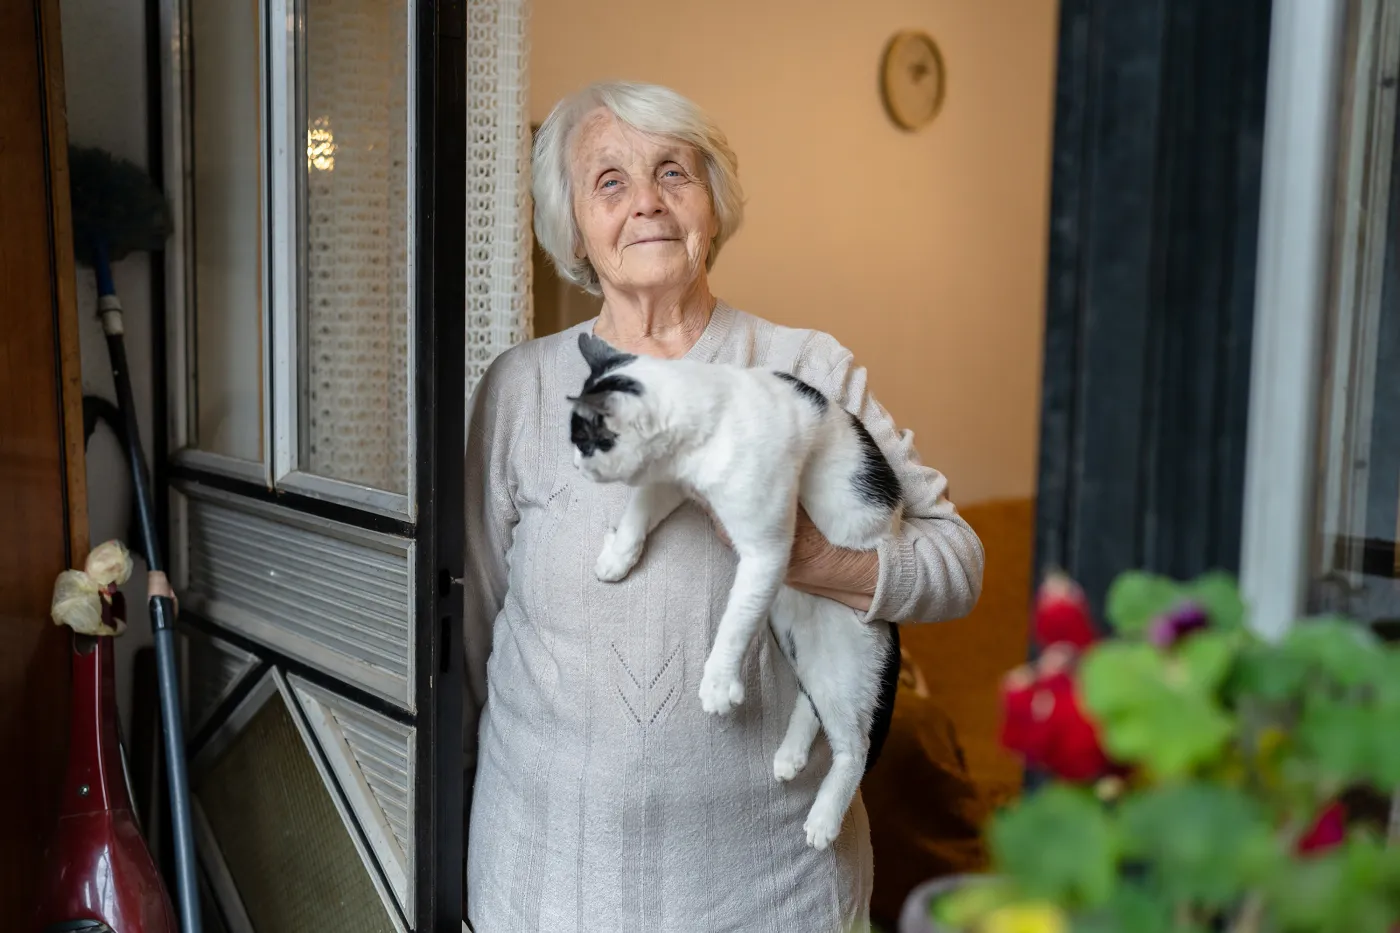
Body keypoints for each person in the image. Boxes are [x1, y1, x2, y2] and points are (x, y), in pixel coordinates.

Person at [463, 80, 985, 931]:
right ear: (573, 227)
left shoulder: (804, 368)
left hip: (775, 893)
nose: (647, 203)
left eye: (674, 171)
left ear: (713, 201)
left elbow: (958, 563)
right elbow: (472, 635)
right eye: (609, 181)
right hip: (542, 887)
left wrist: (821, 561)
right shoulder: (521, 392)